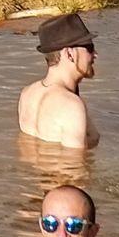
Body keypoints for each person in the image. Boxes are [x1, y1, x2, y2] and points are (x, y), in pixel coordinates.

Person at [18, 12, 98, 149]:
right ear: (69, 54)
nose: (95, 54)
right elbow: (74, 167)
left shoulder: (27, 94)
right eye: (89, 48)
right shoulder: (71, 106)